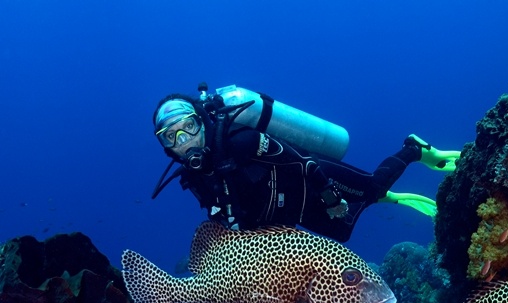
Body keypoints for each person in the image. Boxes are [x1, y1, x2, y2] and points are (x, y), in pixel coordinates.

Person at [151, 83, 461, 242]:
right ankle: (381, 198)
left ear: (202, 121)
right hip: (293, 210)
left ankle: (413, 150)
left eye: (189, 127)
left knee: (372, 187)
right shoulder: (194, 178)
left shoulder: (240, 141)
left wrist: (330, 196)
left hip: (313, 176)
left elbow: (302, 162)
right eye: (171, 137)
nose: (184, 141)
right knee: (342, 233)